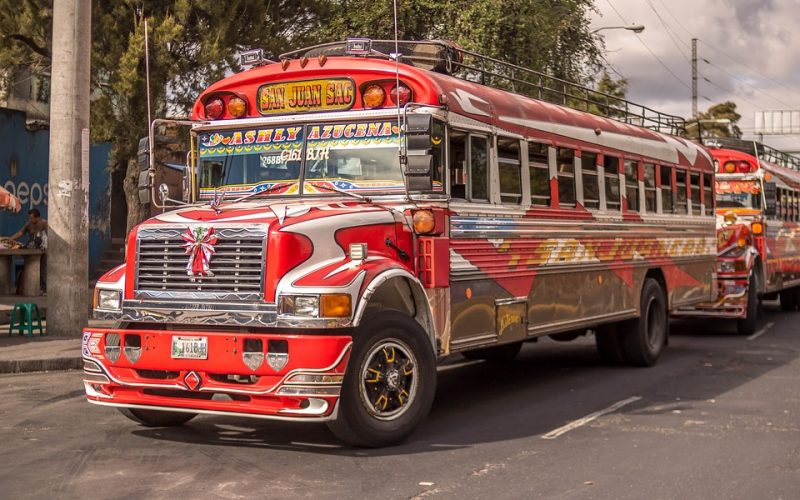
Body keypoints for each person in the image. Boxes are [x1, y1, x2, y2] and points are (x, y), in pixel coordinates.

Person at [9, 208, 47, 294]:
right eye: (29, 218)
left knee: (43, 269)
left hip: (43, 249)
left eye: (31, 218)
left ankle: (44, 288)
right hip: (32, 247)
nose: (30, 220)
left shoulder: (44, 223)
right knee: (30, 267)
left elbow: (48, 237)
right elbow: (20, 233)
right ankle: (30, 287)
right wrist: (10, 239)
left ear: (37, 217)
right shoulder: (28, 224)